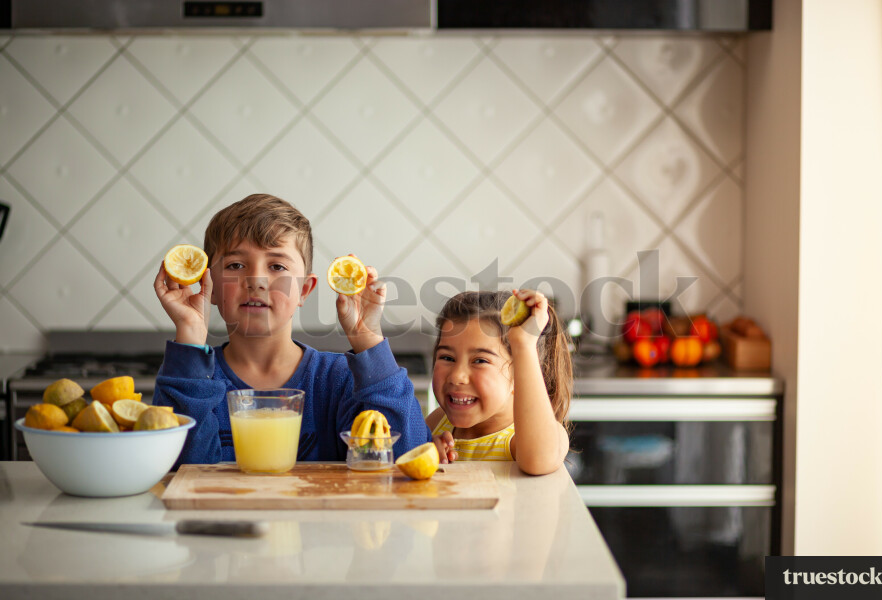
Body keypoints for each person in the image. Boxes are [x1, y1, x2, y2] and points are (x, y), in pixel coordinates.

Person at [152, 193, 429, 466]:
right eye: (236, 265)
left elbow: (407, 457)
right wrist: (189, 333)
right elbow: (178, 471)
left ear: (304, 290)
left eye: (277, 266)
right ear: (208, 283)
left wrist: (367, 339)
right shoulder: (190, 378)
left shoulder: (339, 380)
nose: (256, 280)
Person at [425, 289, 572, 475]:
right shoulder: (439, 421)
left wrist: (523, 345)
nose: (457, 376)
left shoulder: (519, 438)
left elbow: (540, 461)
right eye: (447, 357)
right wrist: (427, 450)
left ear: (519, 372)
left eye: (480, 361)